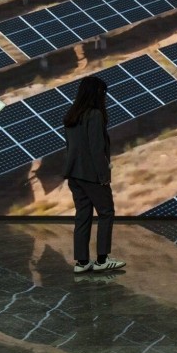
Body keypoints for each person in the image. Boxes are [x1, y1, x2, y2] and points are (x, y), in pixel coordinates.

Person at [63, 76, 125, 274]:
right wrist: (104, 176)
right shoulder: (95, 115)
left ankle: (82, 262)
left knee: (83, 216)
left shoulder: (72, 115)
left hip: (74, 174)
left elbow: (70, 147)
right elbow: (96, 149)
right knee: (106, 213)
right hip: (91, 175)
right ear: (96, 94)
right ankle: (102, 259)